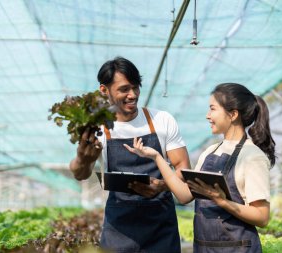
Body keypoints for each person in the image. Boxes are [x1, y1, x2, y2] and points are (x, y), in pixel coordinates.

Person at [125, 83, 276, 253]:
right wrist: (157, 157)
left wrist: (223, 202)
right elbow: (184, 195)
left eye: (212, 109)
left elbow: (262, 217)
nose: (207, 115)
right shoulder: (210, 151)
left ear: (233, 114)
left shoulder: (252, 156)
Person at [69, 56, 191, 253]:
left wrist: (162, 185)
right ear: (104, 90)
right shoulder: (97, 127)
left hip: (160, 224)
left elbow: (183, 170)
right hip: (119, 225)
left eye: (135, 87)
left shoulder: (161, 120)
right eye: (124, 89)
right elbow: (80, 173)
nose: (132, 95)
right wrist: (83, 159)